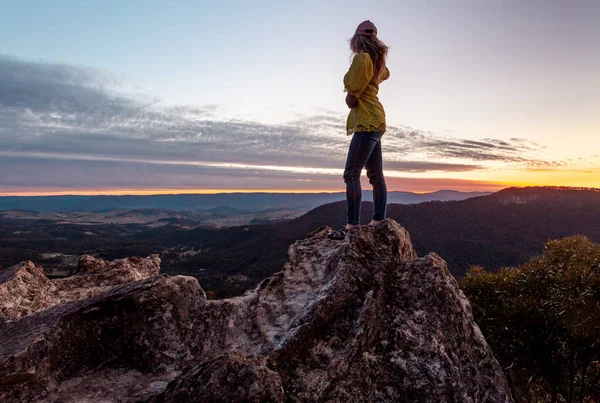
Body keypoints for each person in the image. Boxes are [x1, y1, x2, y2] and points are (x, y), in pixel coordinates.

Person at [328, 20, 390, 240]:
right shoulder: (375, 61)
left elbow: (353, 92)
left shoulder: (362, 58)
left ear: (357, 39)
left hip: (366, 121)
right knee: (375, 176)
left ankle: (352, 226)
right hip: (377, 120)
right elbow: (385, 74)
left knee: (351, 173)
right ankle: (379, 219)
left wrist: (350, 96)